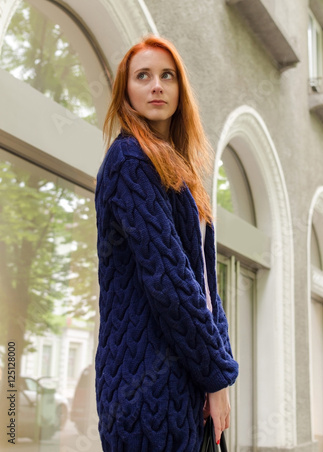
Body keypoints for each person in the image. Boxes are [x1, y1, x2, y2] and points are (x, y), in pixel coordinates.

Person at [95, 35, 239, 452]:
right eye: (143, 76)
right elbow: (170, 281)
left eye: (167, 76)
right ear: (127, 92)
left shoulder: (183, 173)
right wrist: (216, 376)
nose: (156, 85)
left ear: (180, 90)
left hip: (185, 380)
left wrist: (220, 372)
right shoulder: (129, 161)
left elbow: (206, 287)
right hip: (144, 386)